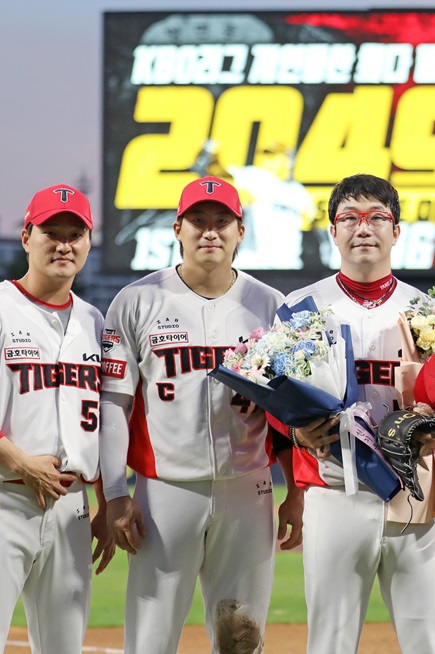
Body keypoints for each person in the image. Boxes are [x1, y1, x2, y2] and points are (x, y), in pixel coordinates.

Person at [98, 175, 302, 654]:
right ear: (177, 229)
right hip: (165, 491)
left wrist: (296, 490)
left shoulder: (272, 306)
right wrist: (112, 493)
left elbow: (290, 413)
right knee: (150, 638)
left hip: (247, 489)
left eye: (221, 222)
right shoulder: (136, 301)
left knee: (242, 637)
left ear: (240, 232)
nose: (210, 231)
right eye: (198, 221)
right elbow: (113, 403)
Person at [280, 173, 435, 654]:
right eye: (349, 218)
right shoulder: (300, 308)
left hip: (413, 492)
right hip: (333, 489)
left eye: (377, 217)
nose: (363, 228)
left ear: (396, 231)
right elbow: (276, 400)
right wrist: (298, 432)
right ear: (333, 231)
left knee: (430, 641)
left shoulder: (428, 309)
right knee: (330, 643)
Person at [0, 184, 113, 653]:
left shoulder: (95, 322)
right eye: (51, 231)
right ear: (26, 236)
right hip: (0, 500)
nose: (64, 244)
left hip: (72, 506)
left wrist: (107, 501)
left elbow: (105, 422)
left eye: (76, 233)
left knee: (63, 647)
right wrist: (23, 463)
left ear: (89, 243)